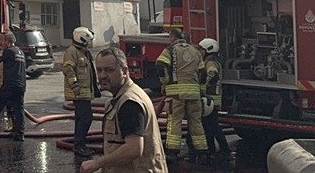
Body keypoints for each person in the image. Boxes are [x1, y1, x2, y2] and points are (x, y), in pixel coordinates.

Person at [80, 47, 167, 173]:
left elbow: (134, 148)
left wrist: (97, 163)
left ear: (125, 71)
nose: (102, 76)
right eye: (99, 70)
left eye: (109, 70)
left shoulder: (129, 103)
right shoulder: (119, 99)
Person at [156, 30, 207, 163]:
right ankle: (202, 151)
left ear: (173, 37)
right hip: (194, 93)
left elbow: (160, 65)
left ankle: (172, 152)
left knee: (175, 121)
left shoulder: (170, 50)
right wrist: (201, 90)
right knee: (196, 122)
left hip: (176, 93)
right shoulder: (195, 51)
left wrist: (165, 81)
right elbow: (203, 72)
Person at [64, 26, 98, 158]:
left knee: (81, 118)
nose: (88, 43)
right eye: (87, 41)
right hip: (79, 93)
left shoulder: (83, 52)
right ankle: (79, 145)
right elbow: (68, 69)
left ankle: (79, 144)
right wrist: (75, 86)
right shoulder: (72, 52)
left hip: (84, 93)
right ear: (81, 39)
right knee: (86, 118)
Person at [197, 38, 231, 160]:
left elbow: (213, 74)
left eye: (201, 49)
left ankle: (223, 150)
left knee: (212, 127)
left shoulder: (210, 62)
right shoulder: (212, 60)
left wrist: (204, 87)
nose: (200, 52)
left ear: (208, 49)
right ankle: (214, 149)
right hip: (212, 100)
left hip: (210, 100)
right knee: (210, 126)